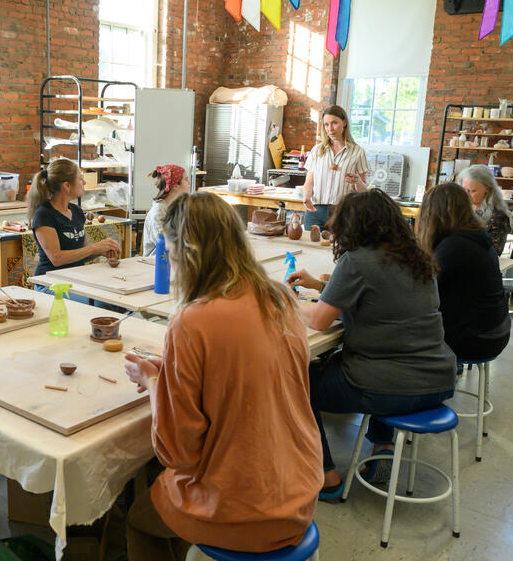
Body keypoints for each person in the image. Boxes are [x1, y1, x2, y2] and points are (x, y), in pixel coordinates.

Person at [124, 192, 323, 560]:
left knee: (140, 519)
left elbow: (177, 451)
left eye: (170, 252)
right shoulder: (280, 298)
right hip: (300, 485)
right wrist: (168, 374)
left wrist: (155, 382)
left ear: (188, 254)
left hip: (248, 509)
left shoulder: (192, 321)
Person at [287, 189, 455, 500]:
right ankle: (383, 448)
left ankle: (326, 475)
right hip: (438, 380)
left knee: (299, 381)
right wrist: (322, 286)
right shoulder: (417, 260)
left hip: (391, 387)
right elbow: (382, 294)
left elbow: (320, 320)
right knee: (384, 358)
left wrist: (280, 303)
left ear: (354, 226)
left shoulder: (357, 261)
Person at [416, 183, 510, 363]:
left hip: (477, 340)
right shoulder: (474, 236)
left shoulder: (453, 247)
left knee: (399, 330)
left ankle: (424, 383)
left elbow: (425, 296)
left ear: (433, 213)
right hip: (496, 330)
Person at [27, 158, 120, 288]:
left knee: (110, 303)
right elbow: (56, 258)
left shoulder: (76, 211)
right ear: (67, 186)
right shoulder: (44, 214)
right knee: (101, 305)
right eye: (80, 179)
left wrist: (101, 251)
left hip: (75, 279)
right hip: (51, 284)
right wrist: (95, 247)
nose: (84, 182)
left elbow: (80, 253)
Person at [301, 105, 369, 230]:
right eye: (326, 125)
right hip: (315, 212)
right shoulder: (317, 150)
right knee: (310, 248)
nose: (330, 129)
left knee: (340, 249)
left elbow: (364, 190)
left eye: (334, 123)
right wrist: (306, 196)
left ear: (344, 122)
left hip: (344, 213)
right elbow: (309, 182)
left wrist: (357, 181)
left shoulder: (358, 152)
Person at [458, 165, 511, 254]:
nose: (466, 195)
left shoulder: (498, 216)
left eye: (472, 191)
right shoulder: (459, 210)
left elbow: (495, 251)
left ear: (487, 188)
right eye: (464, 190)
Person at [142, 164, 190, 256]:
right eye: (186, 179)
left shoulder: (179, 207)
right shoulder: (158, 212)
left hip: (176, 260)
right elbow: (165, 244)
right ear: (175, 185)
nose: (189, 182)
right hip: (156, 264)